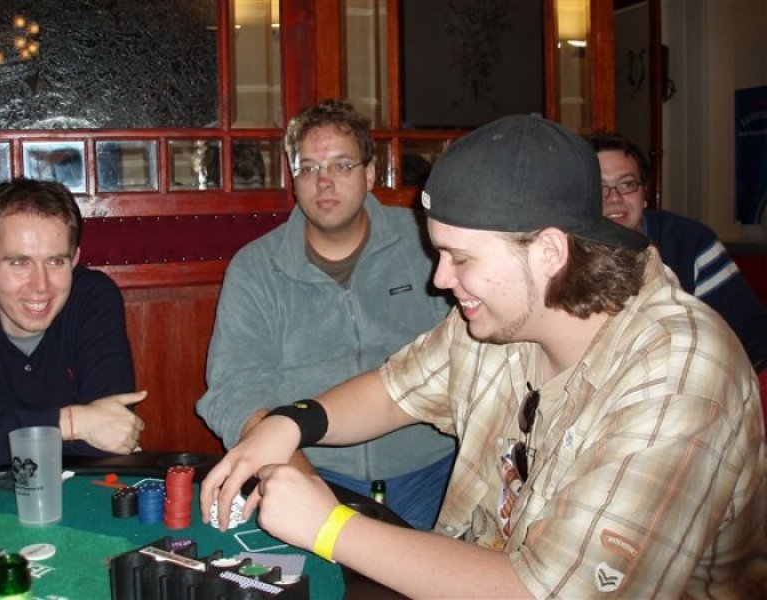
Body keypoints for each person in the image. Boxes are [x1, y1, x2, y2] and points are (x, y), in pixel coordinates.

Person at [200, 115, 767, 598]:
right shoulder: (504, 316)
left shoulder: (679, 374)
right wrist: (288, 423)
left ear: (549, 251)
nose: (441, 279)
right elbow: (393, 390)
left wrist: (330, 528)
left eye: (460, 258)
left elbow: (549, 592)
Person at [196, 99, 455, 529]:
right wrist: (305, 480)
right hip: (316, 469)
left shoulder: (426, 245)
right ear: (293, 179)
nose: (324, 182)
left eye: (341, 165)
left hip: (434, 469)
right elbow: (234, 390)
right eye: (309, 168)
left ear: (369, 174)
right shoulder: (256, 267)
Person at [0, 178, 146, 469]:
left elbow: (111, 432)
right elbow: (94, 429)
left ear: (74, 259)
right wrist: (73, 422)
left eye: (55, 262)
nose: (40, 286)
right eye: (19, 262)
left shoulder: (93, 298)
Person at [585, 131, 767, 378]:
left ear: (645, 195)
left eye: (627, 184)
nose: (614, 197)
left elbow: (750, 333)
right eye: (600, 187)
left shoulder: (689, 243)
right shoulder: (560, 255)